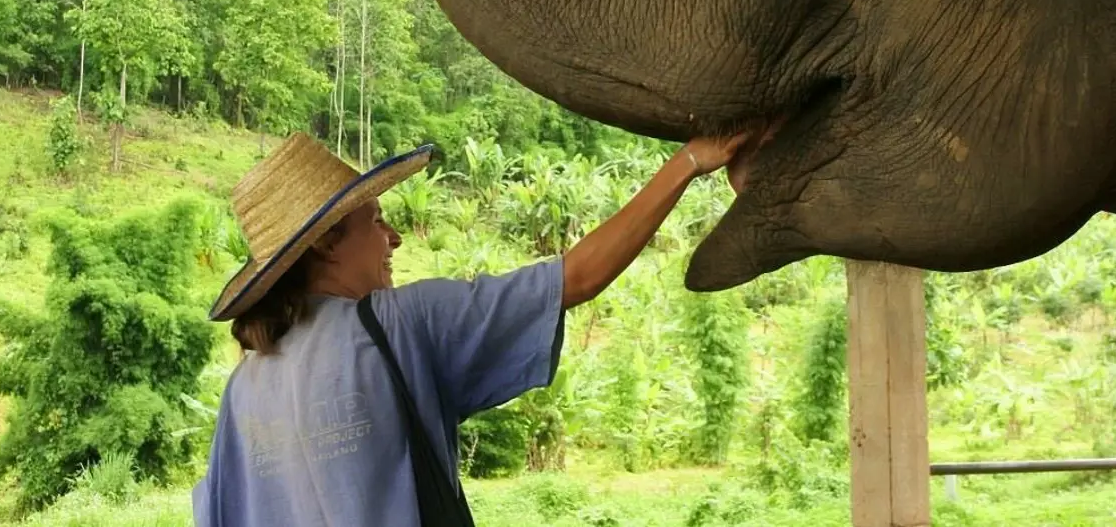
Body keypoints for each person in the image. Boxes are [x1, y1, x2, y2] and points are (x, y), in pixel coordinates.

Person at [191, 129, 752, 527]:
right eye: (377, 221)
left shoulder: (243, 388)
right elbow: (575, 278)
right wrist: (689, 162)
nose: (395, 239)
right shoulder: (401, 325)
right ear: (325, 243)